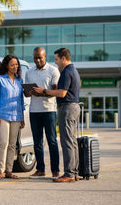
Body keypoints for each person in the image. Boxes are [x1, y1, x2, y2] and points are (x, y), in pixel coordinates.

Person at [34, 48, 81, 182]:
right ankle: (75, 172)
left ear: (63, 59)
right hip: (74, 107)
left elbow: (61, 93)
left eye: (56, 59)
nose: (56, 62)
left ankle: (69, 174)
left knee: (67, 142)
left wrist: (44, 91)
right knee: (72, 141)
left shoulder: (66, 72)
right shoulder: (74, 70)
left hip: (67, 107)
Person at [25, 47, 61, 179]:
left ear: (45, 56)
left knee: (52, 141)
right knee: (37, 142)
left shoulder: (53, 71)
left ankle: (55, 170)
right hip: (34, 111)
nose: (37, 60)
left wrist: (42, 91)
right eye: (35, 58)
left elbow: (55, 92)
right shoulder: (29, 72)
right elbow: (26, 94)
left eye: (40, 57)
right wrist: (29, 91)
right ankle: (40, 169)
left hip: (49, 111)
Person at [0, 54, 25, 180]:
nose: (15, 67)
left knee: (12, 144)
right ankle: (0, 171)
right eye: (12, 65)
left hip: (16, 116)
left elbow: (21, 100)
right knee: (3, 143)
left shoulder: (19, 80)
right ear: (6, 66)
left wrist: (22, 117)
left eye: (16, 65)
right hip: (3, 115)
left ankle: (9, 171)